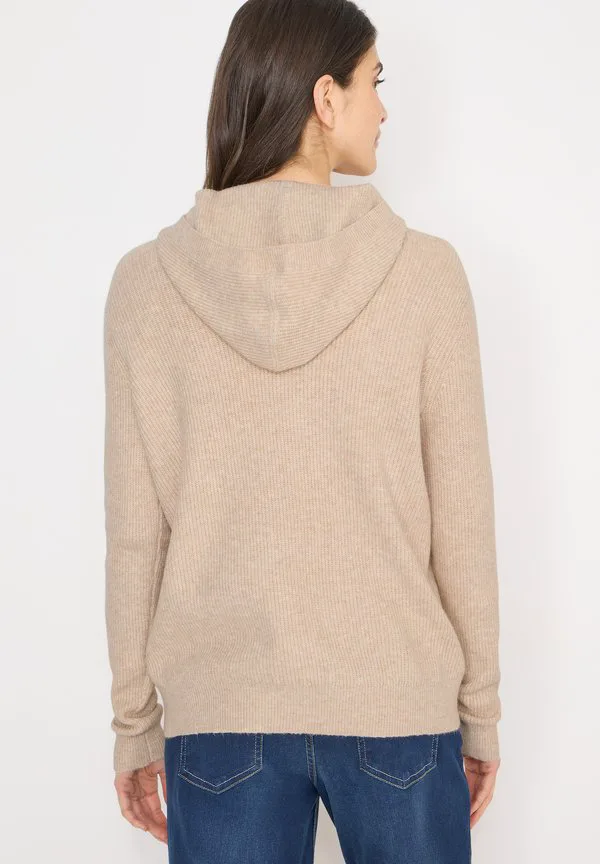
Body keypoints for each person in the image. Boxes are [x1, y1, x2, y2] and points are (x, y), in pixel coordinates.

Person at [103, 1, 502, 861]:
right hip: (398, 708)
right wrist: (479, 713)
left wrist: (135, 725)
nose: (384, 108)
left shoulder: (146, 286)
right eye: (373, 83)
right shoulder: (426, 276)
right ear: (326, 99)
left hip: (219, 718)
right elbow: (462, 519)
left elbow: (137, 535)